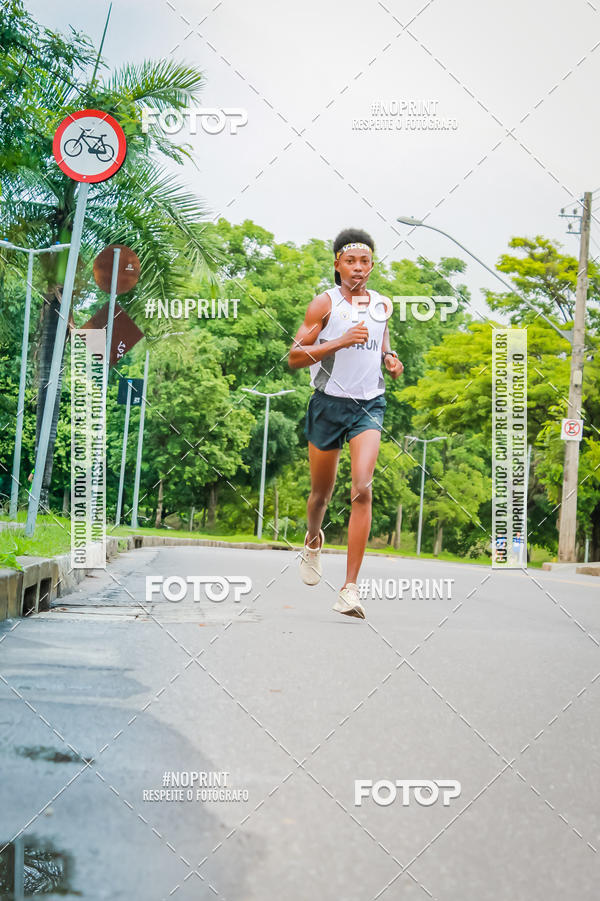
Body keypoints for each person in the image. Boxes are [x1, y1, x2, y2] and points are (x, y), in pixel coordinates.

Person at [288, 228, 403, 619]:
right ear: (337, 264)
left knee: (362, 488)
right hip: (327, 405)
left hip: (368, 406)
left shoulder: (382, 305)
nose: (358, 268)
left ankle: (349, 589)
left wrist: (391, 359)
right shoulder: (324, 304)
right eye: (350, 261)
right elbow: (295, 357)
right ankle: (313, 539)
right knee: (320, 496)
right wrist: (339, 341)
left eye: (364, 261)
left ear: (372, 266)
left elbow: (383, 344)